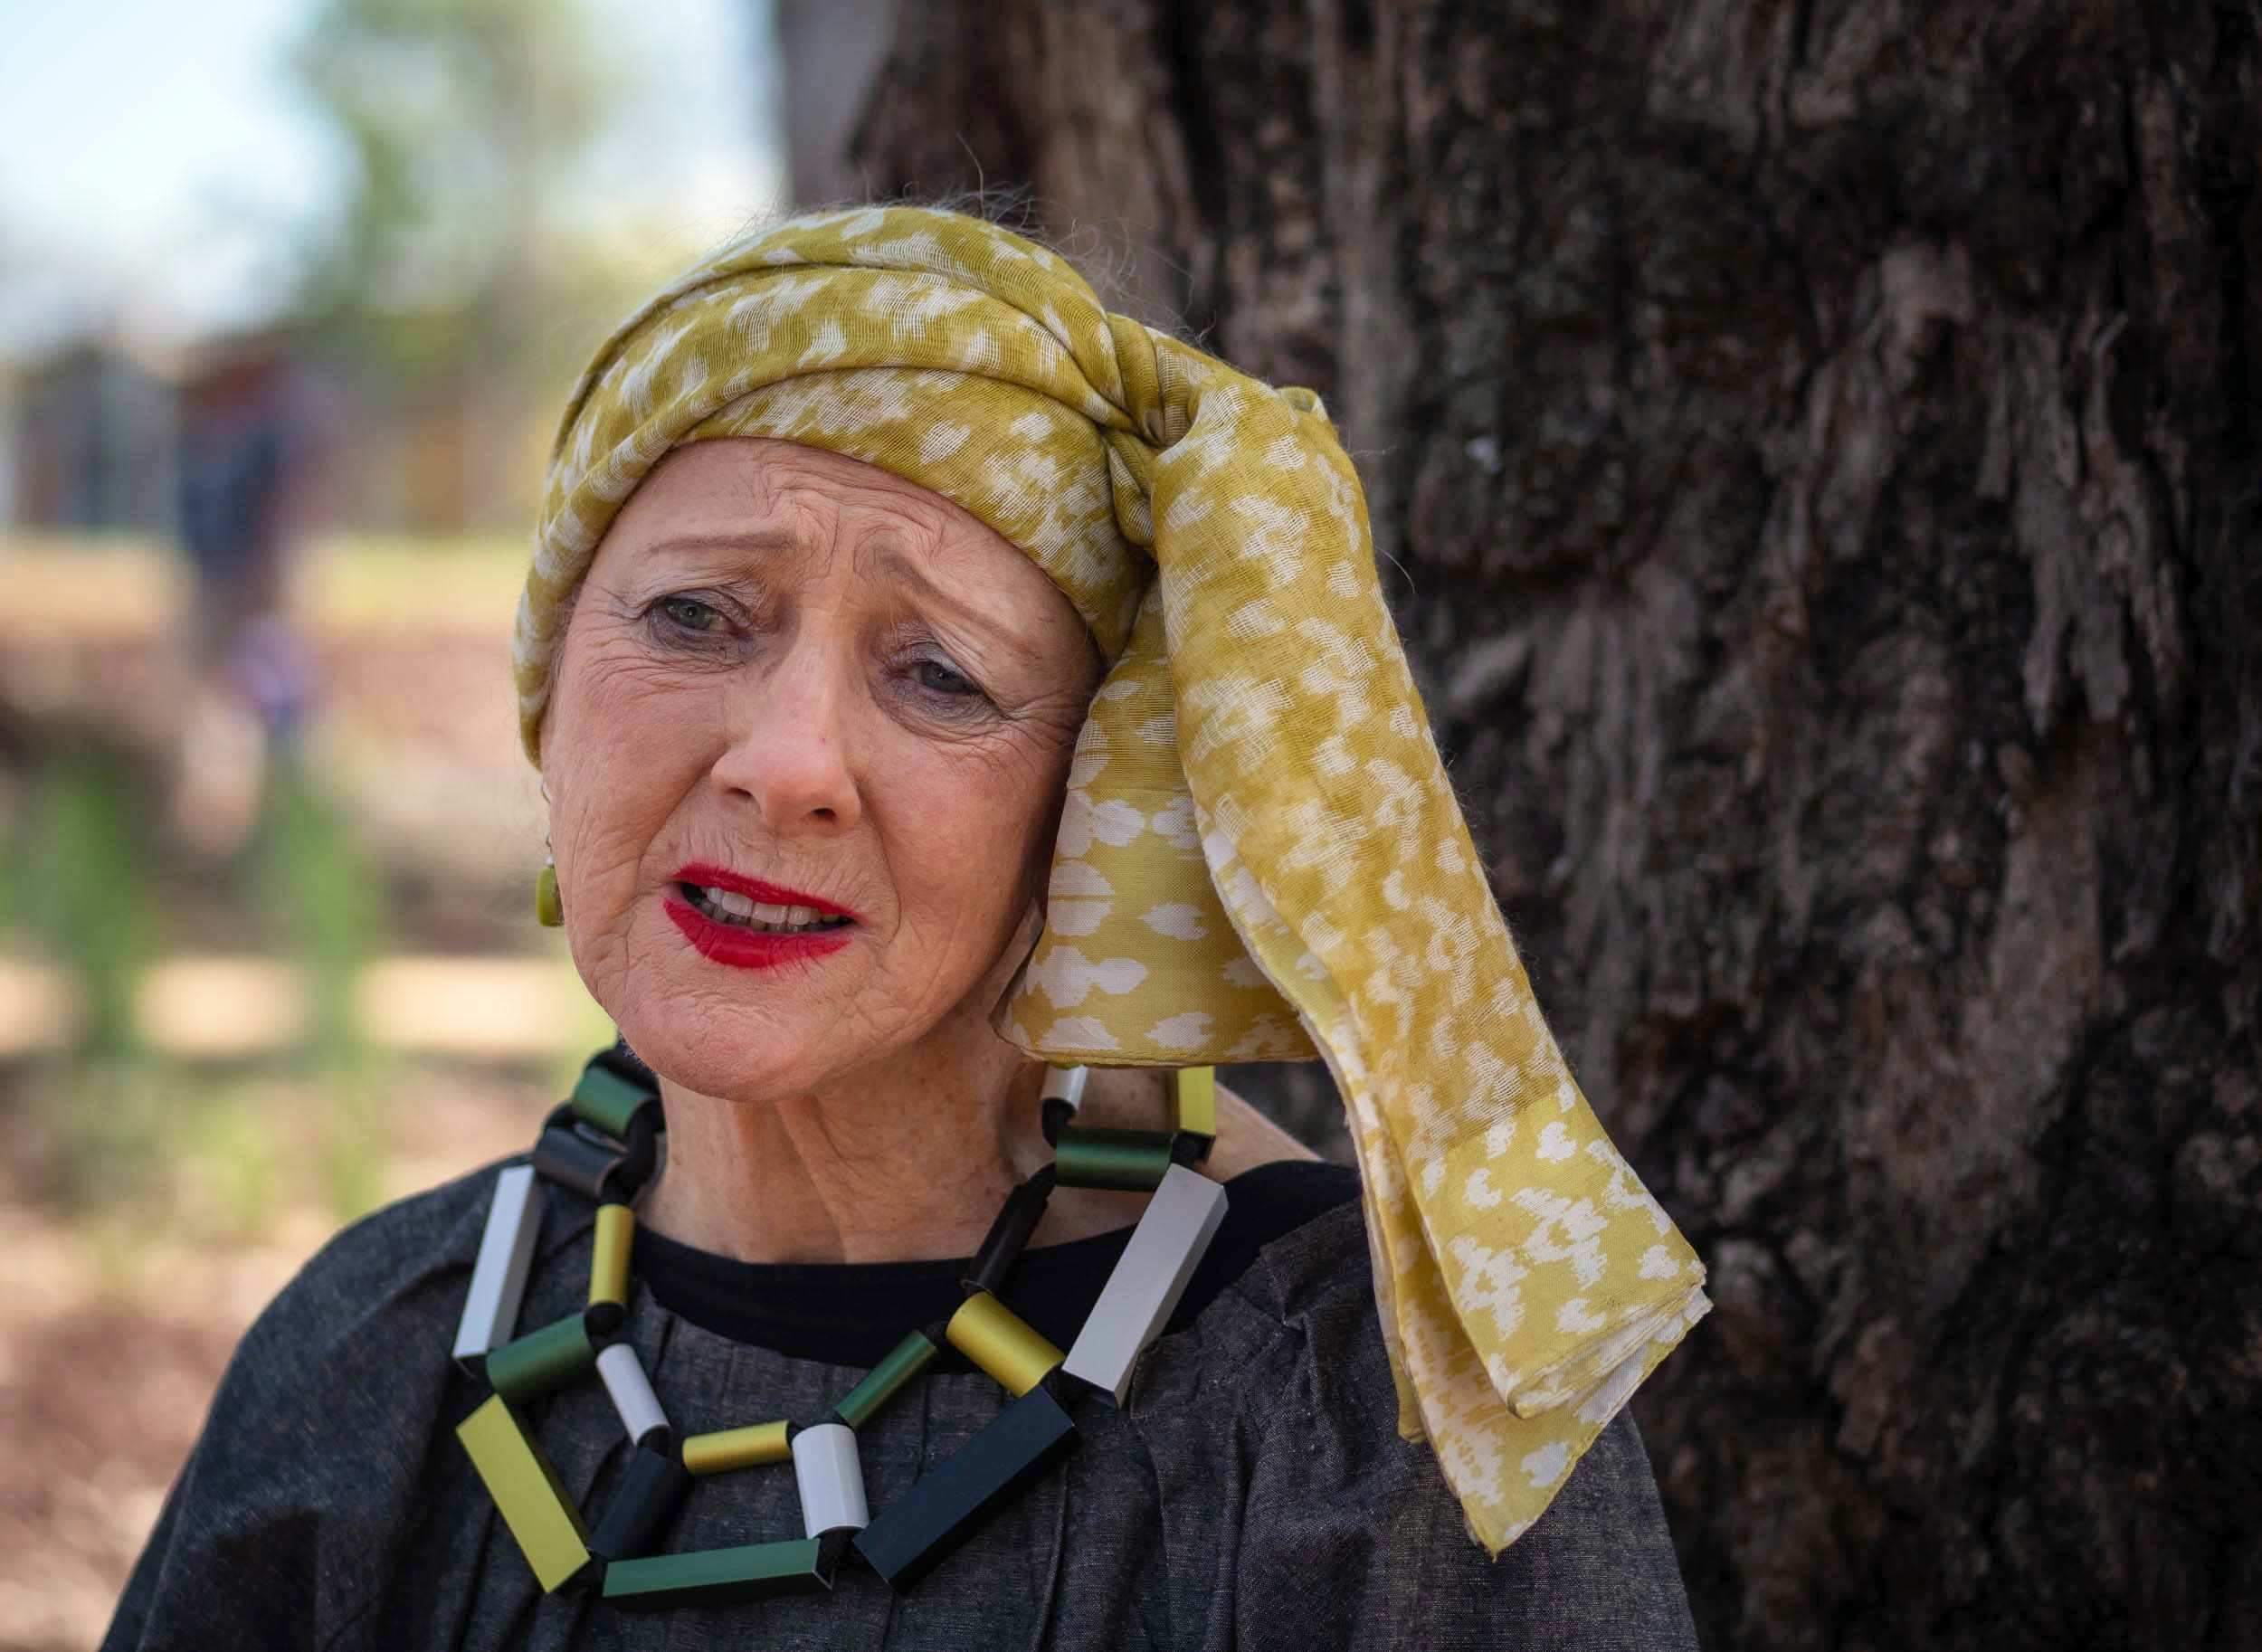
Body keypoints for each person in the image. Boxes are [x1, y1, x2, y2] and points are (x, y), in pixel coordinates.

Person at [103, 203, 1711, 1649]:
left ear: (1096, 809)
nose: (788, 762)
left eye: (940, 673)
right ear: (551, 686)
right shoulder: (372, 1353)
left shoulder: (1367, 1437)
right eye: (694, 616)